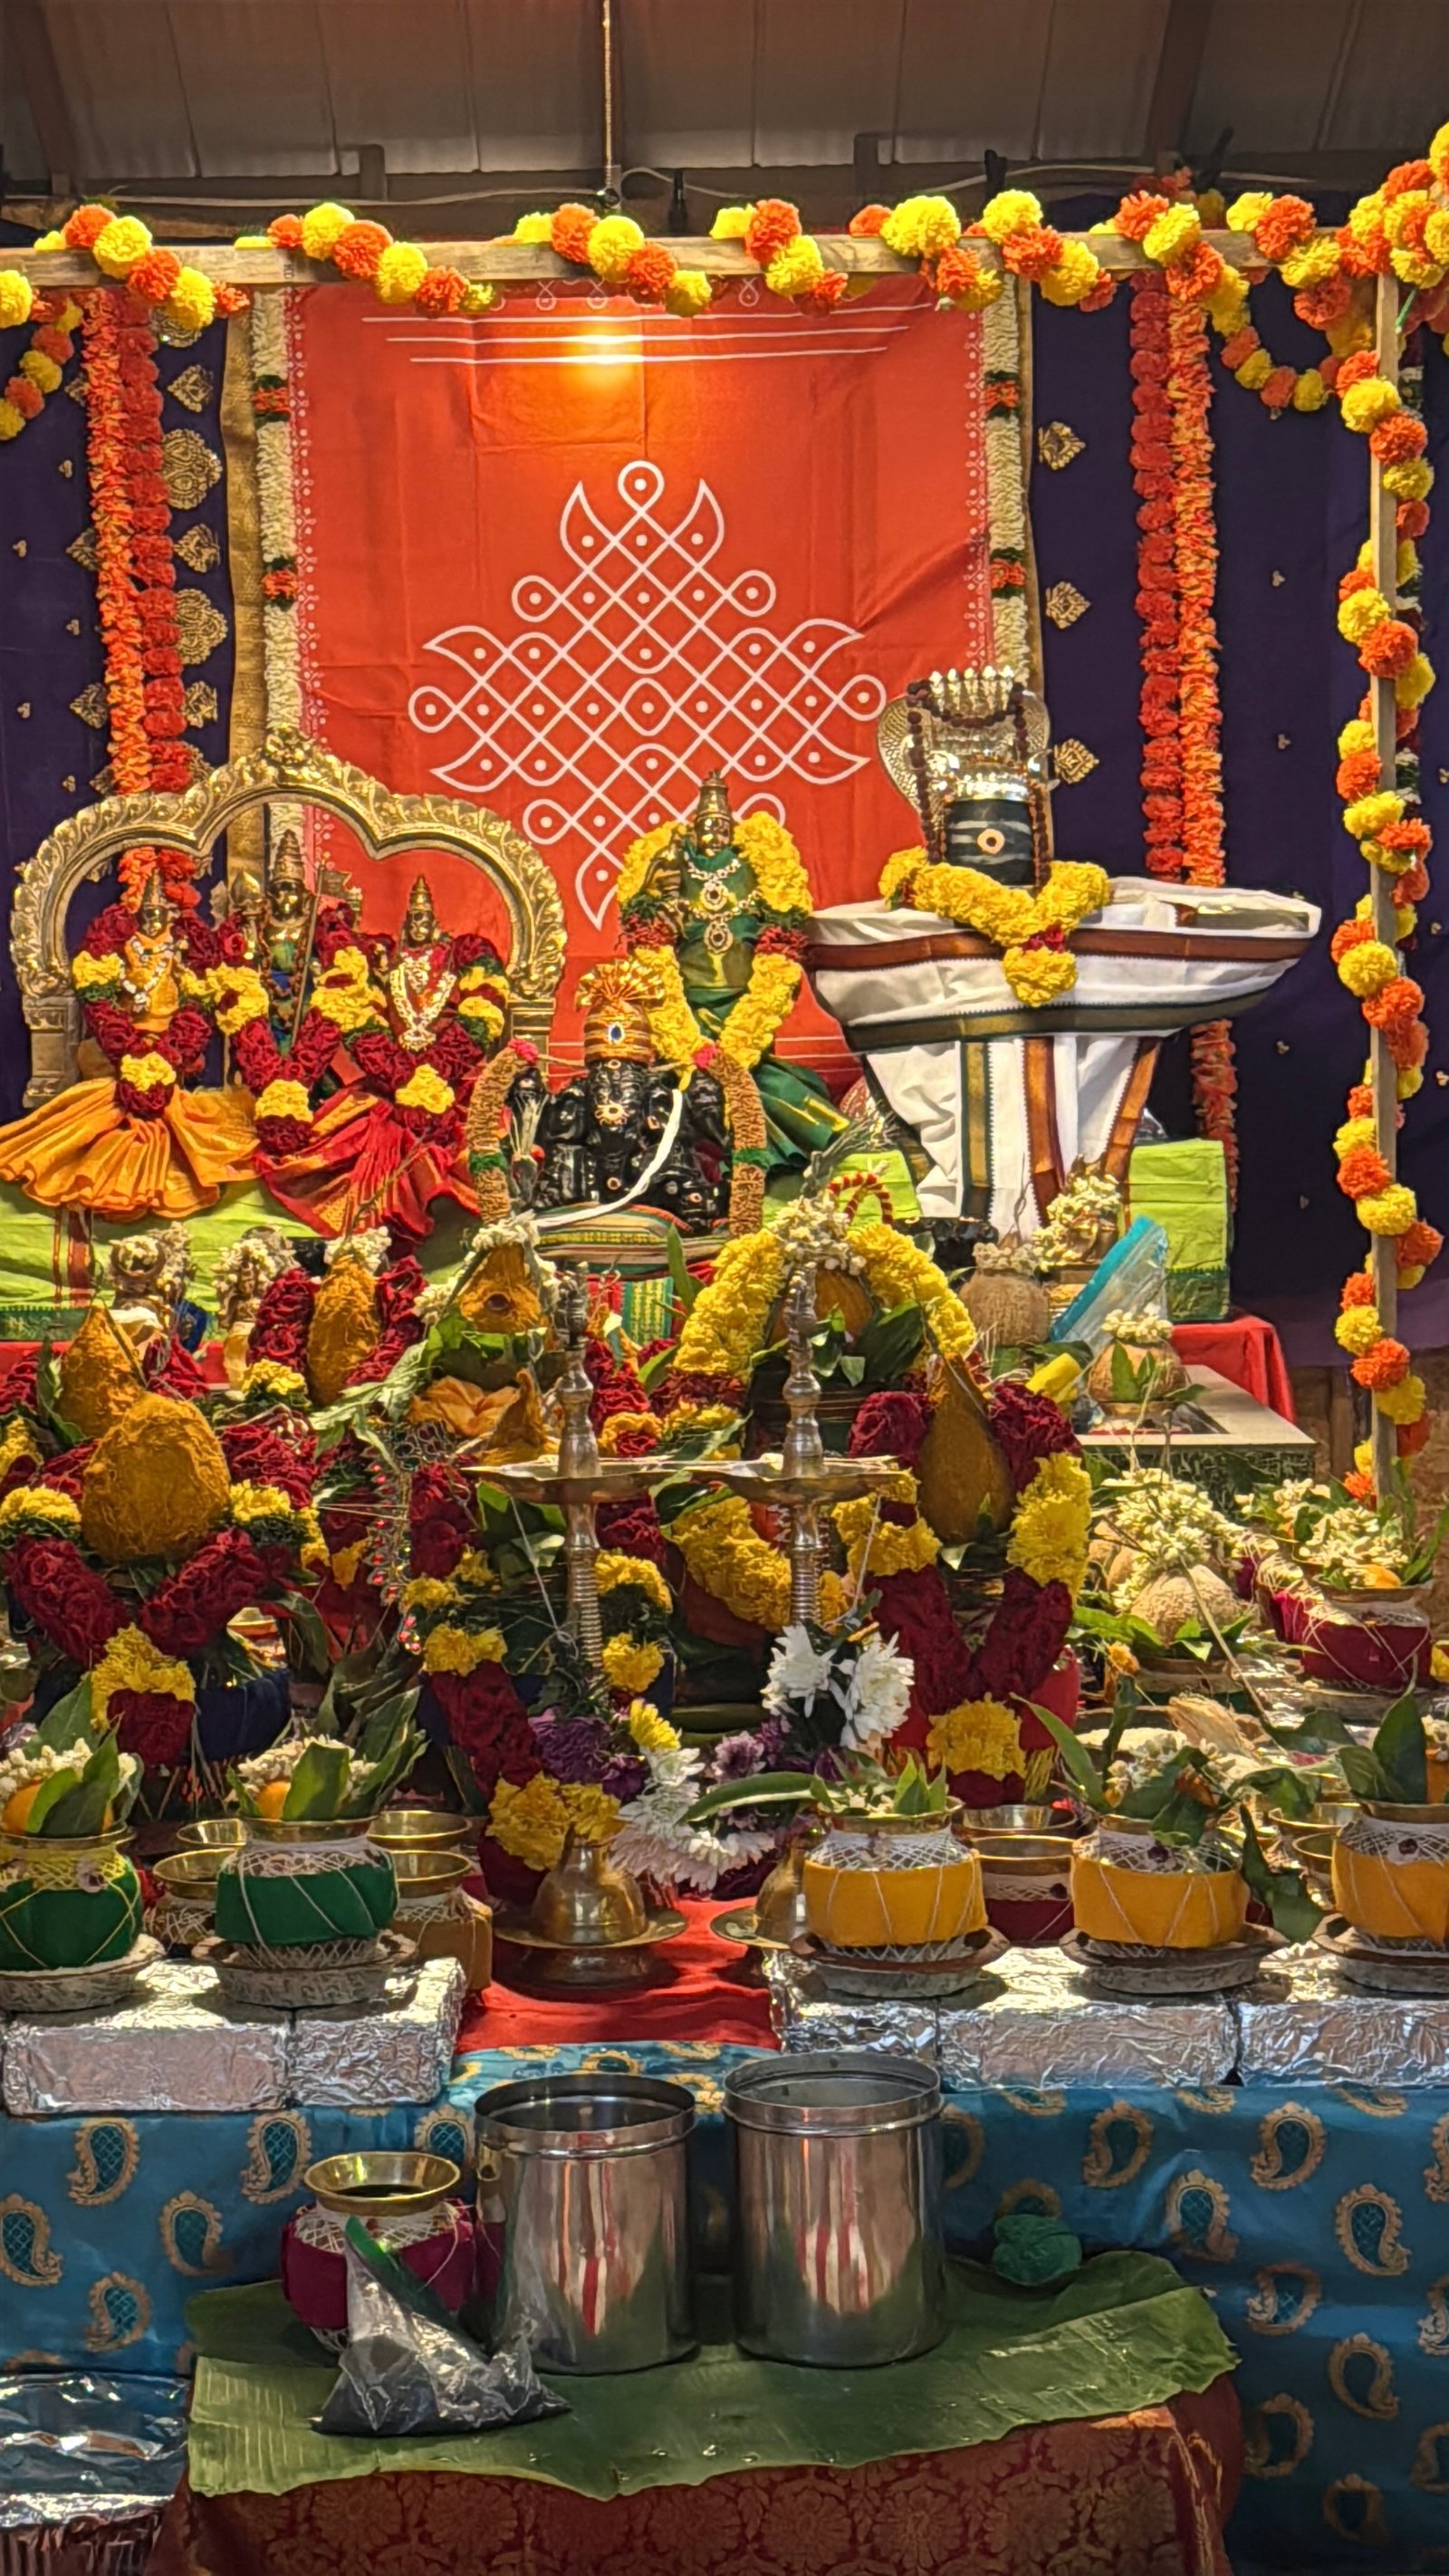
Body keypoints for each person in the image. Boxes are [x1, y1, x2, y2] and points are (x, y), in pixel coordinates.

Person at [256, 872, 514, 1242]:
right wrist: (402, 1076)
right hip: (389, 1084)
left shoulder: (458, 964)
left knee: (477, 1150)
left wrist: (434, 1074)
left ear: (435, 922)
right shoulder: (387, 965)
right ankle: (368, 1233)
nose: (419, 925)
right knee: (345, 1148)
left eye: (425, 918)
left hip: (450, 1087)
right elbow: (364, 1020)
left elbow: (479, 1017)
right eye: (414, 918)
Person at [0, 870, 254, 1221]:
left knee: (176, 1113)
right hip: (124, 1047)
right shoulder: (124, 947)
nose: (154, 919)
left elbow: (197, 994)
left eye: (159, 912)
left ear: (169, 912)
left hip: (168, 1046)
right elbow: (104, 995)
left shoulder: (177, 946)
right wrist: (128, 1041)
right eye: (148, 913)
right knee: (100, 1108)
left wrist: (170, 1044)